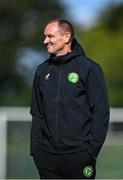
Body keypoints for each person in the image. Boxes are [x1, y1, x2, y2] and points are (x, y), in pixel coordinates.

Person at [30, 19, 110, 179]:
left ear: (66, 37)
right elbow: (37, 113)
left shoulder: (89, 68)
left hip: (80, 156)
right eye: (45, 36)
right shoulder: (42, 70)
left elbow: (100, 113)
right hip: (46, 157)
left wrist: (90, 152)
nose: (45, 41)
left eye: (50, 36)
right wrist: (36, 150)